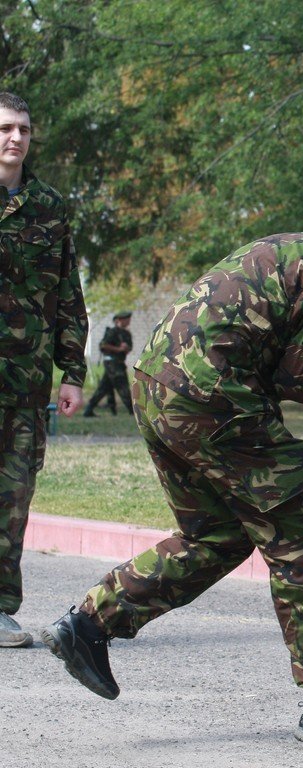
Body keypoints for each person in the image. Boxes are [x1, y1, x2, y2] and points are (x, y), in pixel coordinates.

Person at [40, 169, 303, 750]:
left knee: (218, 534)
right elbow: (302, 382)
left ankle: (90, 623)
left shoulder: (301, 246)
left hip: (159, 385)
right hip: (212, 398)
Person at [0, 92, 89, 649]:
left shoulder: (49, 205)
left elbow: (67, 294)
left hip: (25, 384)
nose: (15, 138)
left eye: (24, 130)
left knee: (12, 499)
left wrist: (73, 372)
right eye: (5, 128)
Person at [83, 310, 134, 417]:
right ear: (119, 320)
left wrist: (125, 348)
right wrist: (118, 349)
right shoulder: (112, 332)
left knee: (103, 388)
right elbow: (103, 345)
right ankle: (132, 411)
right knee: (122, 386)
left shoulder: (126, 334)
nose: (128, 321)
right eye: (126, 319)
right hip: (112, 362)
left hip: (119, 363)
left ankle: (88, 410)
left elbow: (129, 348)